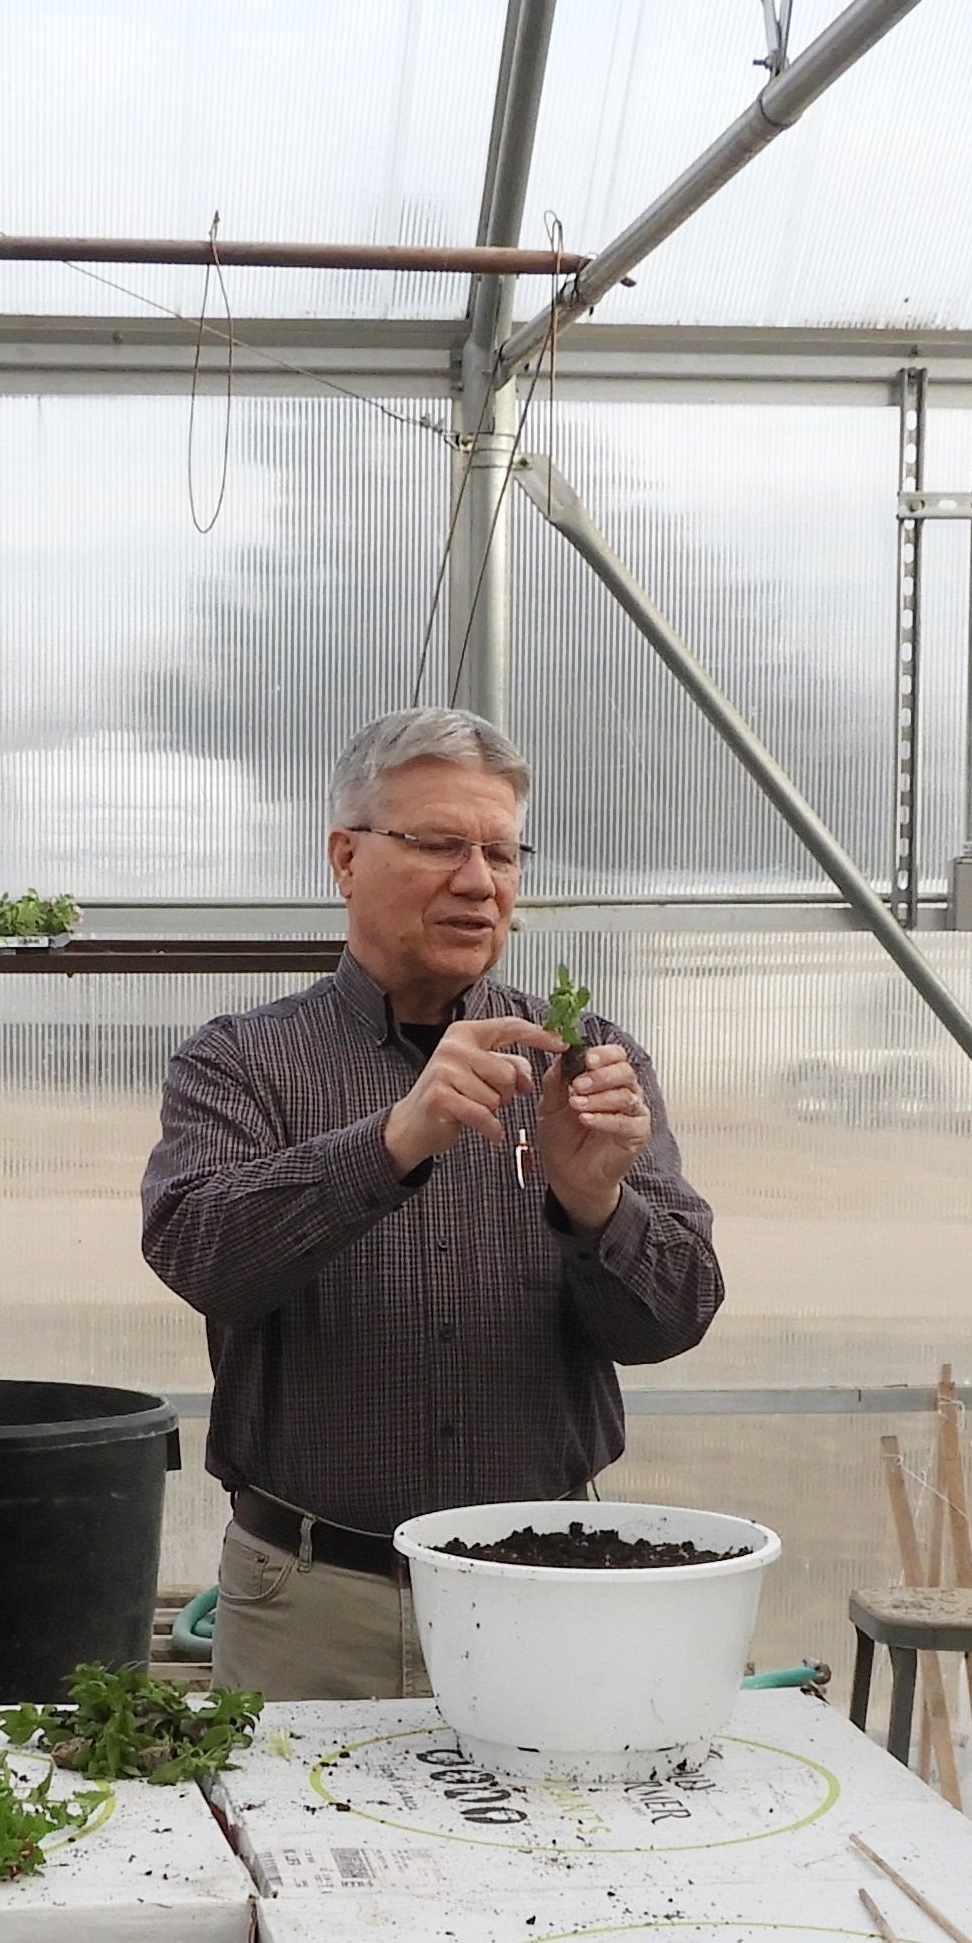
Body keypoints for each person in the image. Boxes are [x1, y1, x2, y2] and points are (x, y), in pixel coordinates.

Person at [139, 706, 721, 1700]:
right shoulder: (242, 1060)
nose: (478, 881)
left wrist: (594, 1206)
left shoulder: (584, 1060)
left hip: (544, 1588)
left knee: (544, 1848)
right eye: (439, 844)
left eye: (501, 851)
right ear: (345, 858)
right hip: (313, 1600)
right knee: (299, 1851)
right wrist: (391, 1140)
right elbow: (201, 1252)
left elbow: (670, 1319)